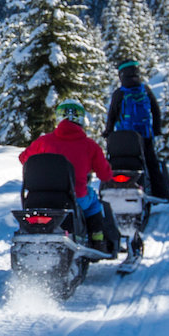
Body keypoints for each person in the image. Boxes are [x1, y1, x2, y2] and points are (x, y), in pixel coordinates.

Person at [19, 99, 116, 245]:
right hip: (73, 198)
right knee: (94, 201)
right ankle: (97, 239)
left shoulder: (43, 141)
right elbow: (105, 175)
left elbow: (23, 158)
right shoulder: (90, 145)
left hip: (37, 199)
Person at [105, 59, 169, 203]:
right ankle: (161, 193)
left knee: (119, 163)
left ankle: (112, 191)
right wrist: (156, 129)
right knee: (151, 163)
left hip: (124, 137)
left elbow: (112, 115)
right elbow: (156, 111)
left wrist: (108, 132)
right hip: (145, 135)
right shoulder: (144, 90)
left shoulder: (119, 93)